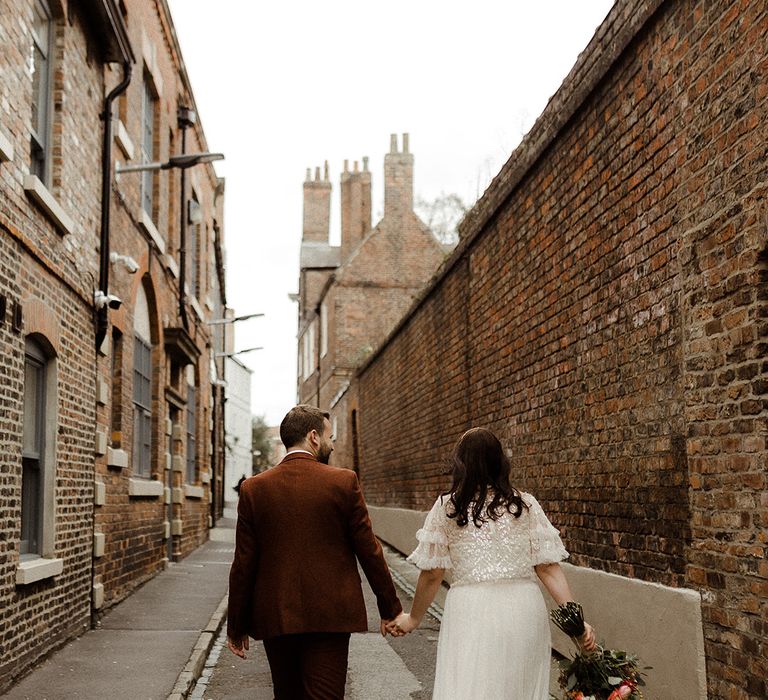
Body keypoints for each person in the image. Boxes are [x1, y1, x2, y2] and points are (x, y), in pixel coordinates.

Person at [393, 427, 596, 700]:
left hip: (469, 610)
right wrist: (578, 624)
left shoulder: (447, 508)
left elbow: (432, 574)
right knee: (517, 689)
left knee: (470, 686)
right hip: (522, 608)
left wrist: (413, 618)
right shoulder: (525, 505)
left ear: (460, 464)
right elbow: (548, 568)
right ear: (500, 462)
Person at [226, 404, 403, 699]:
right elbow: (369, 551)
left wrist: (236, 625)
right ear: (314, 437)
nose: (332, 445)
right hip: (330, 615)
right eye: (330, 437)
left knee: (287, 695)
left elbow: (244, 562)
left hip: (276, 615)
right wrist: (390, 609)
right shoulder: (343, 482)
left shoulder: (254, 488)